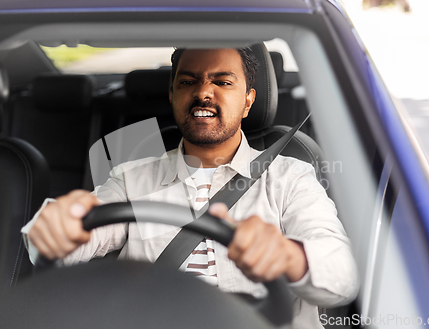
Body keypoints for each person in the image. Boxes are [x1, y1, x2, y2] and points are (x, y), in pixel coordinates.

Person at [21, 47, 358, 328]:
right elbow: (75, 239)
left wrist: (289, 256)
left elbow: (342, 275)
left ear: (248, 100)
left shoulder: (290, 176)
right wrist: (55, 230)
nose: (203, 92)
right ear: (172, 95)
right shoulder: (131, 178)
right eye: (188, 81)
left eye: (222, 81)